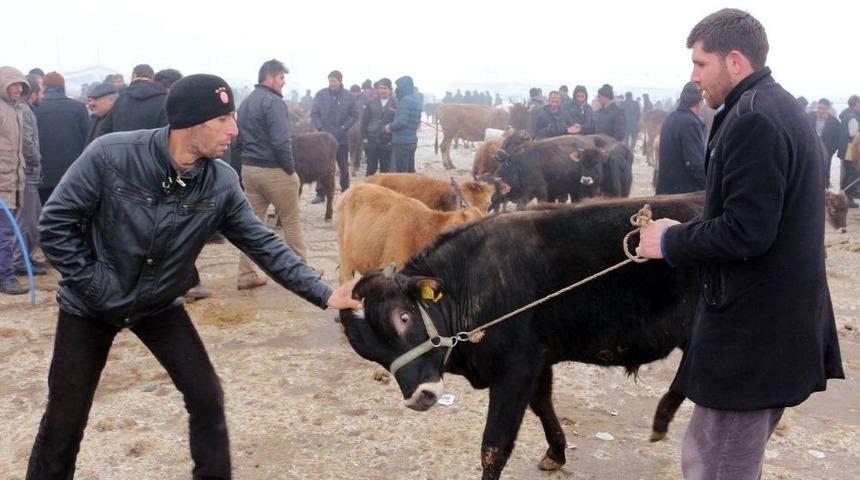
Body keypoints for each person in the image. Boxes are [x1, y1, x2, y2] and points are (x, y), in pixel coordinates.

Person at [25, 73, 361, 480]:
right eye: (223, 120)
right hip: (89, 303)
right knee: (65, 416)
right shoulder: (110, 155)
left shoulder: (220, 182)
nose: (234, 131)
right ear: (191, 123)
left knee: (207, 397)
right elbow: (56, 224)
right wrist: (97, 285)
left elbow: (263, 244)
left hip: (158, 304)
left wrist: (324, 293)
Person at [636, 9, 843, 479]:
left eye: (700, 63)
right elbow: (751, 213)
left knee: (717, 463)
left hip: (756, 330)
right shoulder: (774, 105)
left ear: (734, 60)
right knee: (713, 452)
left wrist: (670, 241)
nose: (693, 76)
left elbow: (748, 232)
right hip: (772, 320)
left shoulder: (755, 118)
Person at [235, 59, 311, 290]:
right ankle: (302, 274)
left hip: (249, 169)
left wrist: (247, 159)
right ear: (269, 77)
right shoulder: (274, 102)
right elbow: (281, 140)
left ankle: (246, 273)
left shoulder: (246, 102)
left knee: (252, 225)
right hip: (275, 170)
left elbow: (238, 139)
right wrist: (290, 169)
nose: (283, 83)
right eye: (281, 78)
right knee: (291, 220)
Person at [34, 72, 89, 204]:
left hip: (43, 176)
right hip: (72, 175)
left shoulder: (34, 109)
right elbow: (88, 140)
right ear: (63, 86)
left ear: (44, 87)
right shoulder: (78, 107)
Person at [12, 74, 47, 277]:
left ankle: (26, 257)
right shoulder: (25, 111)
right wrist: (36, 160)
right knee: (27, 221)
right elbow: (26, 142)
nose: (43, 95)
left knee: (33, 219)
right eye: (41, 91)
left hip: (29, 174)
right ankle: (20, 260)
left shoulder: (25, 110)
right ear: (33, 93)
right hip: (27, 174)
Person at [0, 66, 30, 295]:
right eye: (14, 84)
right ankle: (5, 277)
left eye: (21, 85)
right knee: (6, 233)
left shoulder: (16, 110)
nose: (18, 89)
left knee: (7, 232)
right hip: (2, 183)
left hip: (14, 181)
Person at [310, 70, 358, 199]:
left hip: (341, 138)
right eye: (330, 81)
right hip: (324, 138)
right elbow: (314, 113)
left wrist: (343, 127)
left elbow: (354, 115)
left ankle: (345, 192)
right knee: (322, 165)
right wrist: (320, 127)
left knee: (343, 166)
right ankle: (320, 193)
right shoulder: (321, 95)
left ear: (340, 81)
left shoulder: (349, 96)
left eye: (334, 81)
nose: (332, 83)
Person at [654, 82, 706, 194]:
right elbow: (694, 164)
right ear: (699, 103)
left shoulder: (670, 119)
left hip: (665, 190)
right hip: (684, 196)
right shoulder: (690, 123)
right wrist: (710, 185)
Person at [98, 64, 167, 135]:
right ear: (152, 77)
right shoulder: (163, 99)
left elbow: (105, 130)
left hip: (121, 144)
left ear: (134, 76)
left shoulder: (121, 98)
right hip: (151, 145)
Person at [360, 78, 397, 175]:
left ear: (390, 89)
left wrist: (393, 139)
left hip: (387, 141)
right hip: (371, 140)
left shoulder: (395, 103)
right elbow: (364, 121)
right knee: (371, 168)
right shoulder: (371, 102)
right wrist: (364, 137)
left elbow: (397, 123)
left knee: (385, 170)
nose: (382, 91)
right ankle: (368, 189)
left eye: (384, 88)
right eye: (380, 88)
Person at [386, 75, 422, 173]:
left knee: (400, 173)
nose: (397, 90)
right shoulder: (416, 100)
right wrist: (396, 112)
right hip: (412, 140)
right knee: (410, 171)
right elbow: (411, 117)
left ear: (404, 88)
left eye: (399, 87)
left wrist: (389, 127)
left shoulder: (404, 101)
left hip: (402, 142)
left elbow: (401, 122)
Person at [809, 98, 842, 188]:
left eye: (823, 108)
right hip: (811, 148)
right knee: (810, 168)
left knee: (825, 169)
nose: (820, 111)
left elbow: (837, 137)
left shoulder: (834, 122)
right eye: (819, 108)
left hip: (827, 149)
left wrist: (831, 150)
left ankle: (824, 188)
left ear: (827, 109)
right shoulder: (810, 117)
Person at [838, 95, 860, 207]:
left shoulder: (846, 114)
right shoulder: (852, 117)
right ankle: (847, 197)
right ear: (856, 104)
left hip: (845, 149)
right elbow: (854, 134)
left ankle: (849, 193)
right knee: (852, 173)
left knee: (849, 172)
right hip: (851, 149)